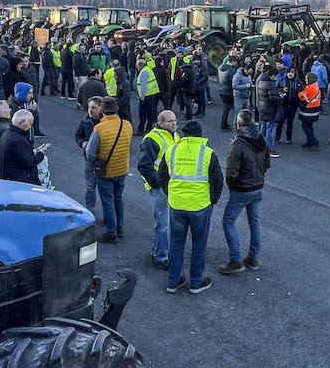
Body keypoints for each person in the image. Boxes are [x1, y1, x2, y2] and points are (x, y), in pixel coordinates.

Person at [165, 120, 225, 295]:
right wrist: (212, 200)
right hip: (200, 206)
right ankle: (196, 283)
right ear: (200, 134)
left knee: (176, 244)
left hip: (177, 205)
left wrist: (171, 194)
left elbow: (163, 175)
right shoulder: (208, 153)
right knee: (199, 244)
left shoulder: (172, 150)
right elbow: (217, 180)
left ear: (184, 134)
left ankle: (173, 281)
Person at [218, 108, 270, 275]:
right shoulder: (261, 139)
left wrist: (232, 186)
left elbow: (231, 171)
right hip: (257, 186)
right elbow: (267, 163)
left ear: (238, 123)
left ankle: (235, 259)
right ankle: (253, 258)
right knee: (254, 222)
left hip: (242, 188)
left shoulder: (238, 144)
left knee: (228, 222)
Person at [84, 97, 133, 244]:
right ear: (116, 109)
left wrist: (93, 164)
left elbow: (90, 153)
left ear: (102, 111)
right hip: (122, 168)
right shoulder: (127, 125)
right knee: (118, 198)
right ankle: (120, 227)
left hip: (106, 171)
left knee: (107, 201)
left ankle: (111, 232)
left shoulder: (99, 129)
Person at [136, 108, 178, 271]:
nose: (174, 123)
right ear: (160, 122)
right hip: (161, 187)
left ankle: (163, 251)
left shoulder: (175, 135)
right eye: (170, 121)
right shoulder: (152, 139)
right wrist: (158, 185)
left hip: (171, 185)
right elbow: (144, 166)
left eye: (175, 120)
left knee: (168, 222)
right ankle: (161, 256)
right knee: (163, 224)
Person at [0, 109, 47, 184]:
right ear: (22, 123)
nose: (30, 127)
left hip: (10, 177)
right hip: (20, 180)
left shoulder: (8, 134)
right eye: (30, 123)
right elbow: (28, 162)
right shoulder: (18, 140)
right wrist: (40, 154)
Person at [74, 96, 104, 211]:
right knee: (90, 187)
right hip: (89, 159)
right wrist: (81, 143)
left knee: (103, 188)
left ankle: (108, 213)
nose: (90, 110)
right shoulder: (85, 120)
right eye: (89, 107)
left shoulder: (104, 123)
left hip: (102, 160)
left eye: (94, 107)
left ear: (101, 109)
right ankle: (90, 209)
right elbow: (78, 135)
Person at [297, 72, 322, 150]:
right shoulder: (316, 86)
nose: (305, 80)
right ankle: (310, 142)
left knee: (305, 127)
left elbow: (302, 96)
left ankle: (314, 142)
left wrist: (299, 93)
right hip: (314, 108)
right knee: (309, 126)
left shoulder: (310, 87)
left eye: (306, 78)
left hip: (308, 110)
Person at [218, 54, 236, 131]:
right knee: (227, 109)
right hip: (228, 91)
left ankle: (225, 123)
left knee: (225, 108)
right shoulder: (231, 71)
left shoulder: (220, 67)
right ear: (233, 62)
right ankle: (223, 125)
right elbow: (233, 82)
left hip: (222, 90)